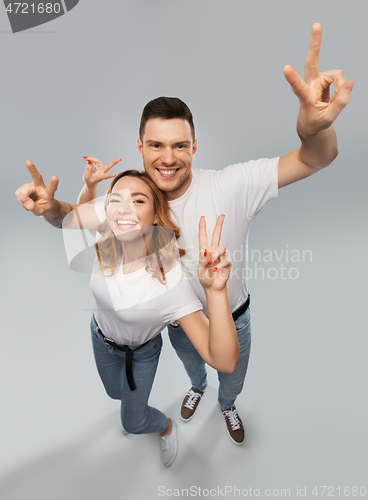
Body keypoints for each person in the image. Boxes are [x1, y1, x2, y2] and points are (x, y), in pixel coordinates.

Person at [15, 23, 353, 446]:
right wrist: (50, 209)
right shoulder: (133, 201)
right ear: (140, 147)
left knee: (230, 377)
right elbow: (71, 216)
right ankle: (197, 388)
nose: (168, 157)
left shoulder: (233, 184)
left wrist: (313, 129)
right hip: (179, 322)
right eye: (156, 145)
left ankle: (226, 406)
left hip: (233, 315)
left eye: (179, 145)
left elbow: (314, 160)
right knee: (197, 367)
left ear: (194, 147)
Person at [16, 166, 239, 467]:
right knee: (113, 393)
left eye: (138, 201)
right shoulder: (105, 236)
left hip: (141, 354)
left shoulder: (169, 281)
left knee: (132, 422)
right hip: (100, 337)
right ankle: (134, 407)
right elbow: (68, 218)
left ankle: (165, 426)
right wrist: (52, 206)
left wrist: (216, 292)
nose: (124, 209)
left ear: (156, 216)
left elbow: (223, 360)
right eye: (115, 201)